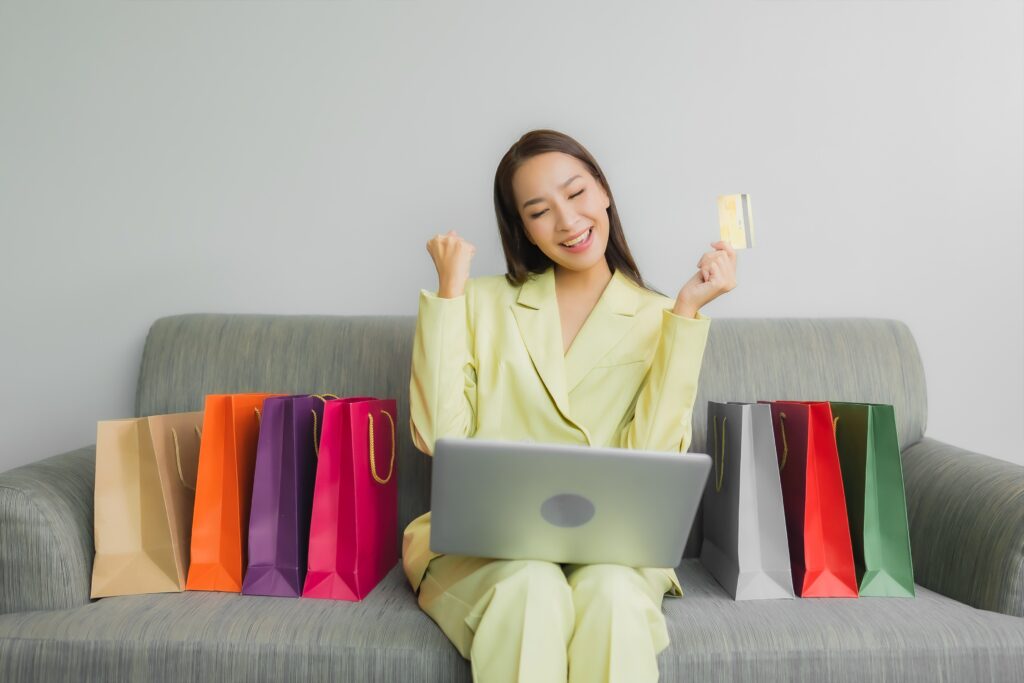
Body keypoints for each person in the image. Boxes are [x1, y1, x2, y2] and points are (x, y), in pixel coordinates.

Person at [403, 129, 738, 683]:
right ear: (524, 230)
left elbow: (653, 461)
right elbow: (438, 435)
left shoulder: (661, 319)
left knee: (611, 595)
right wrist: (448, 292)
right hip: (485, 550)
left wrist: (685, 315)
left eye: (576, 193)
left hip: (613, 549)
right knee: (530, 587)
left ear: (604, 191)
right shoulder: (480, 302)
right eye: (539, 211)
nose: (567, 220)